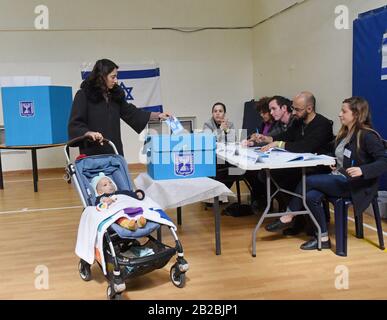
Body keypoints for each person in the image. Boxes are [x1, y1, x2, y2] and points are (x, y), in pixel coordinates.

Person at [267, 97, 387, 250]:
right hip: (339, 178)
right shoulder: (345, 134)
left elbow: (383, 161)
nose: (339, 114)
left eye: (344, 111)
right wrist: (329, 159)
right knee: (310, 196)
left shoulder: (367, 135)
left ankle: (289, 215)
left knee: (307, 181)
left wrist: (362, 170)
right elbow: (330, 149)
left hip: (356, 185)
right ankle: (322, 238)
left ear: (356, 114)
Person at [68, 58, 170, 156]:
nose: (116, 81)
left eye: (116, 77)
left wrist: (157, 115)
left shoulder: (115, 96)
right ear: (102, 77)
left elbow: (132, 113)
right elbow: (75, 124)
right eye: (113, 77)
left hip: (114, 151)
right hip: (92, 154)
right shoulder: (83, 95)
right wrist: (88, 133)